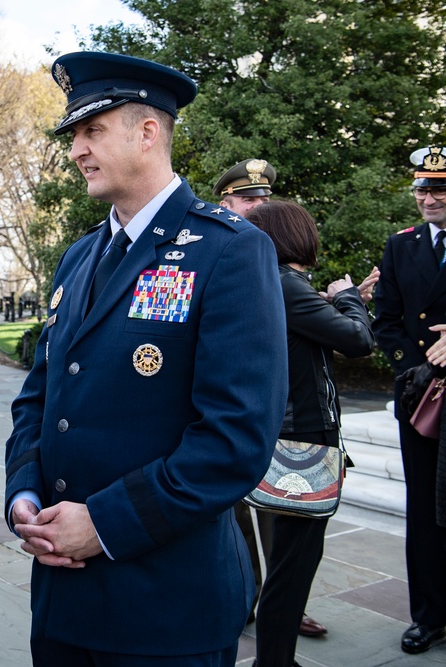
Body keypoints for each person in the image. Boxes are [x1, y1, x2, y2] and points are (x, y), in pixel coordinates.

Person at [5, 52, 288, 665]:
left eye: (92, 130)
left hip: (166, 607)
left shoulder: (229, 251)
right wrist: (23, 493)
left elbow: (234, 440)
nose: (77, 149)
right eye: (74, 135)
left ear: (148, 131)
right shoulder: (80, 257)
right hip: (63, 598)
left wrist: (104, 523)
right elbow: (41, 394)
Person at [246, 200, 376, 667]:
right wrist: (348, 298)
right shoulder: (286, 284)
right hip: (303, 441)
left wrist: (335, 301)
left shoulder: (279, 284)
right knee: (293, 565)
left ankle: (276, 658)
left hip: (288, 436)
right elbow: (358, 341)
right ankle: (274, 662)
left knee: (291, 562)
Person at [213, 159, 327, 639]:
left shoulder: (275, 258)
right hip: (228, 406)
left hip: (280, 412)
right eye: (249, 200)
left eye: (264, 200)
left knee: (284, 513)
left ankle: (282, 604)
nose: (260, 207)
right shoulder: (215, 243)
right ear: (227, 204)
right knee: (235, 518)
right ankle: (247, 599)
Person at [372, 144, 446, 654]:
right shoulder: (401, 246)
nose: (428, 197)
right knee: (423, 509)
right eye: (422, 187)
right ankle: (430, 613)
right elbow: (386, 320)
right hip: (423, 395)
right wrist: (415, 369)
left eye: (439, 187)